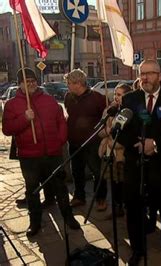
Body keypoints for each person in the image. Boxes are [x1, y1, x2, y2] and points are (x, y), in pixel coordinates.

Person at [117, 59, 161, 266]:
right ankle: (137, 250)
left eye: (150, 73)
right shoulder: (130, 99)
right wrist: (138, 144)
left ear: (160, 76)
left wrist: (154, 144)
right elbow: (121, 131)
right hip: (136, 167)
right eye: (141, 73)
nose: (145, 77)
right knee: (135, 212)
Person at [2, 68, 80, 237]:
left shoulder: (49, 100)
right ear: (20, 84)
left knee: (60, 187)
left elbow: (61, 121)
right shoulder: (12, 105)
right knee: (32, 191)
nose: (31, 84)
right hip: (29, 156)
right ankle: (35, 221)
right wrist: (24, 118)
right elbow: (7, 129)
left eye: (33, 81)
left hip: (53, 153)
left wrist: (60, 139)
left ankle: (68, 217)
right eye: (26, 81)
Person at [64, 69, 108, 211]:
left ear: (78, 83)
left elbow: (106, 117)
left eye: (69, 83)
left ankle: (100, 198)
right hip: (74, 141)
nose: (68, 86)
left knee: (97, 171)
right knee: (77, 171)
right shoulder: (68, 97)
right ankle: (79, 196)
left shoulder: (97, 98)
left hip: (92, 142)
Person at [97, 83, 133, 219]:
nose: (116, 97)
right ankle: (117, 208)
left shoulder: (129, 111)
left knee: (125, 183)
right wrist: (107, 130)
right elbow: (100, 131)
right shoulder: (109, 110)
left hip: (123, 154)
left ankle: (128, 207)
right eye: (115, 94)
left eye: (119, 94)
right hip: (109, 151)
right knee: (114, 182)